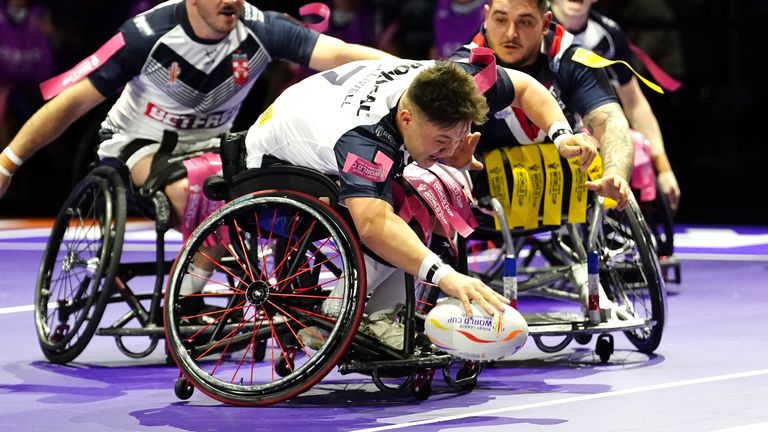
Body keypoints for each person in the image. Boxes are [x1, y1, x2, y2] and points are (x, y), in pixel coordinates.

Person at [0, 0, 396, 313]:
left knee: (288, 183)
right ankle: (187, 300)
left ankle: (290, 297)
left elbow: (344, 54)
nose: (231, 2)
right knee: (203, 190)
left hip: (216, 149)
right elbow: (70, 103)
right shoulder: (147, 34)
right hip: (138, 146)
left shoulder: (259, 28)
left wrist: (417, 72)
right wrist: (8, 162)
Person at [243, 58, 601, 348]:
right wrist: (448, 278)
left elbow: (524, 87)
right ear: (406, 118)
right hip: (274, 175)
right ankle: (338, 318)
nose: (449, 149)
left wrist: (560, 135)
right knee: (407, 209)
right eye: (442, 140)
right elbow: (373, 225)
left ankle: (379, 315)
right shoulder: (364, 140)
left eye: (459, 136)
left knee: (439, 186)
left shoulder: (453, 81)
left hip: (315, 116)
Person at [450, 0, 634, 209]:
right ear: (486, 16)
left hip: (566, 181)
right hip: (487, 184)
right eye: (500, 20)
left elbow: (611, 122)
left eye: (525, 23)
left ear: (546, 23)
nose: (510, 33)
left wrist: (615, 174)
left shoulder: (572, 58)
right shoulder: (464, 66)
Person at [550, 0, 680, 211]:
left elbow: (635, 104)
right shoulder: (532, 25)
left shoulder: (608, 36)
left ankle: (608, 218)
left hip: (590, 131)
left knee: (631, 141)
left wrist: (664, 169)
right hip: (539, 133)